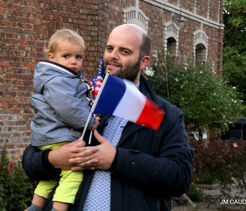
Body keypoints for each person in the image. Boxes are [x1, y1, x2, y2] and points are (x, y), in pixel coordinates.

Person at [22, 24, 194, 211]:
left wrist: (117, 160)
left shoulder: (163, 115)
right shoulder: (81, 98)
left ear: (143, 62)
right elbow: (30, 160)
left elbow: (179, 177)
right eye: (110, 48)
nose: (113, 55)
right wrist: (52, 159)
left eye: (124, 51)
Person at [26, 29, 99, 211]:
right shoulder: (59, 80)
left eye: (78, 57)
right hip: (59, 135)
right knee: (73, 173)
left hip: (48, 135)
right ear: (52, 57)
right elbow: (69, 108)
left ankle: (35, 207)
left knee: (50, 177)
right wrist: (90, 121)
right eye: (66, 56)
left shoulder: (60, 77)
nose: (73, 61)